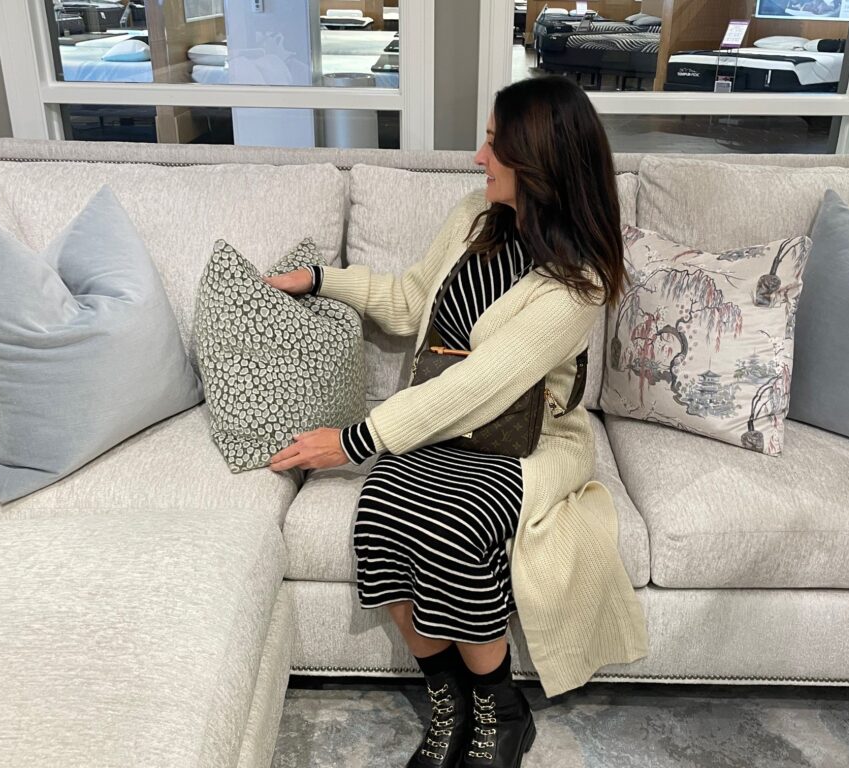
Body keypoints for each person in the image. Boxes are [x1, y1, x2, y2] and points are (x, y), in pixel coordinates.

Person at [264, 75, 647, 768]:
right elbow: (411, 303)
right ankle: (450, 701)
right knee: (380, 508)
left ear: (540, 162)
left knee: (455, 522)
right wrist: (323, 280)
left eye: (495, 145)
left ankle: (501, 709)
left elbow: (483, 382)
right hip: (440, 426)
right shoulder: (475, 217)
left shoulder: (579, 283)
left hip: (525, 441)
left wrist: (356, 439)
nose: (479, 157)